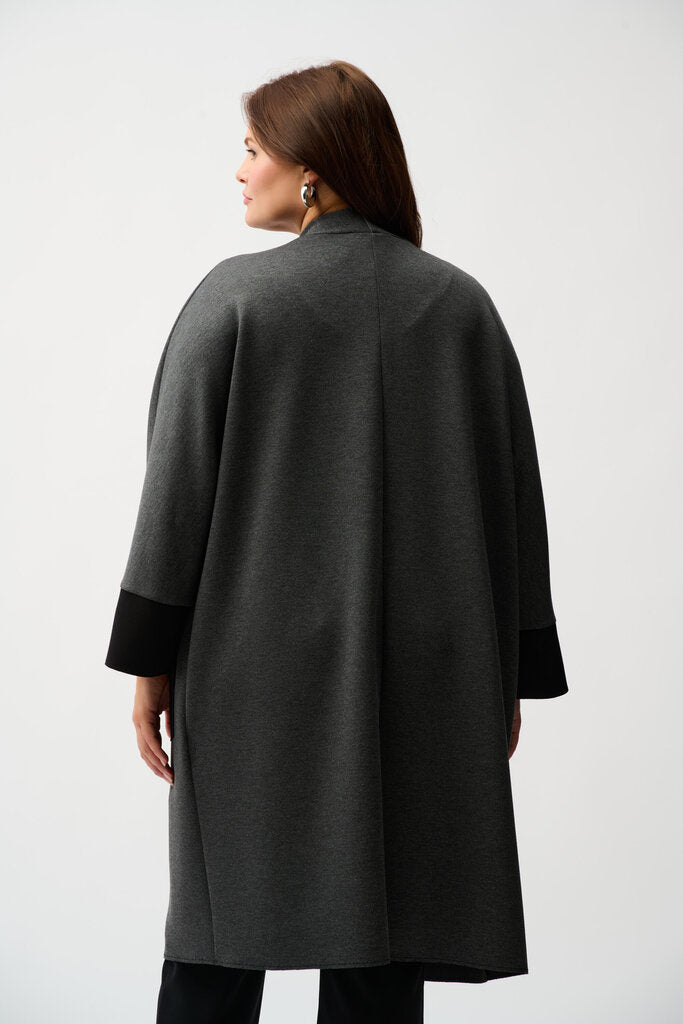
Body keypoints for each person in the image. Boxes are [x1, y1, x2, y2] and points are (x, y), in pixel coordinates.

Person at [105, 60, 569, 1024]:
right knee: (379, 946)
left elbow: (174, 496)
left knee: (216, 946)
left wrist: (149, 662)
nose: (240, 169)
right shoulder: (460, 307)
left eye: (252, 148)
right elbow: (513, 505)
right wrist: (511, 673)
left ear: (310, 167)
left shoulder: (235, 300)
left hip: (250, 680)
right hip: (428, 676)